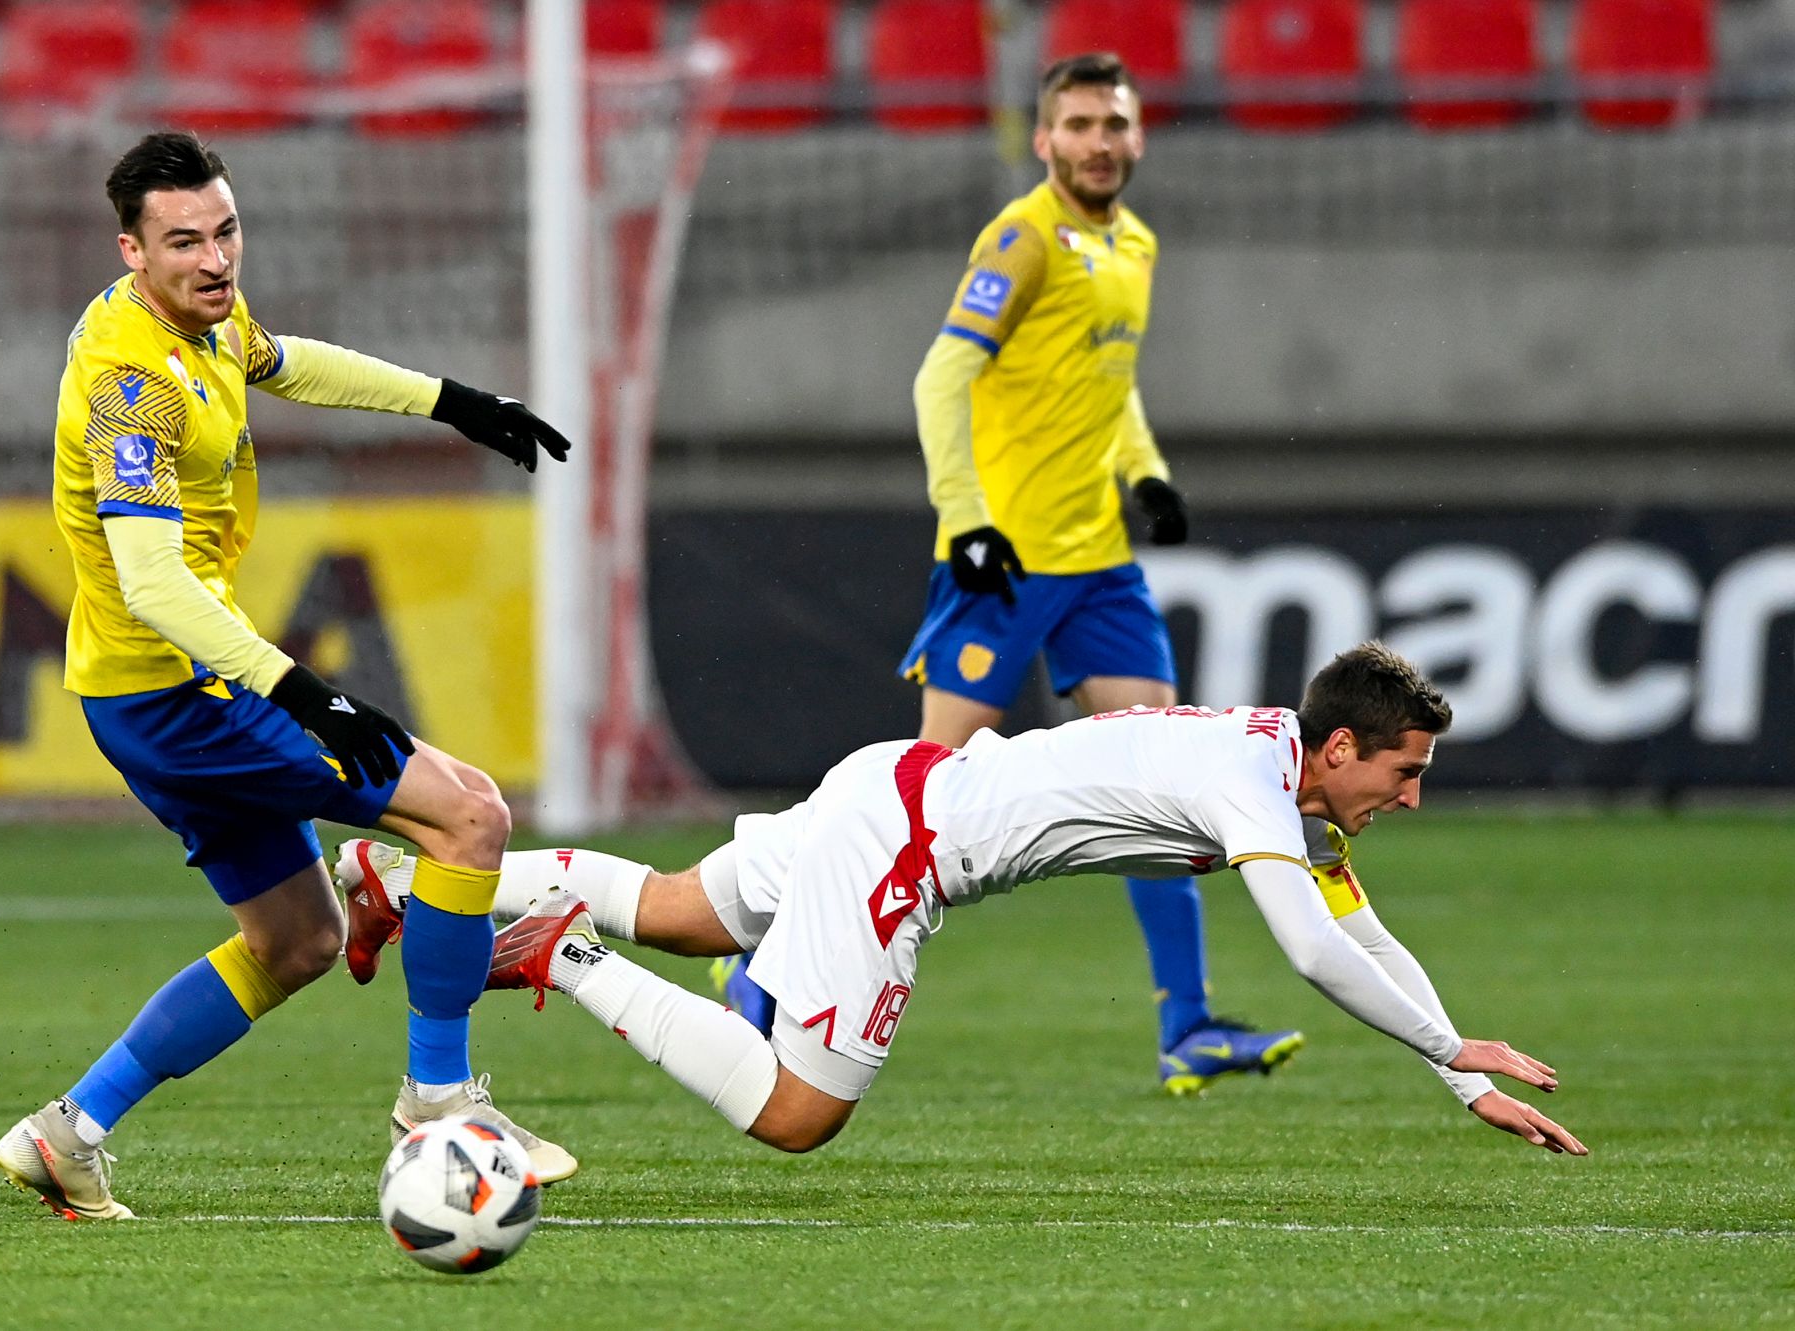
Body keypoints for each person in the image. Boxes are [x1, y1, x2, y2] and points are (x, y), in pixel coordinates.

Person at [338, 644, 1587, 1159]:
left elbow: (1355, 926)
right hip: (906, 844)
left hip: (897, 779)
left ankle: (397, 877)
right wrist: (1443, 1045)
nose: (1411, 796)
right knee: (796, 1113)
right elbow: (1310, 949)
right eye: (1404, 772)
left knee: (673, 909)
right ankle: (555, 953)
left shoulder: (1285, 782)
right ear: (1339, 747)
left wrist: (1452, 1068)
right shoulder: (1251, 783)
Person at [0, 131, 576, 1221]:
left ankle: (66, 1131)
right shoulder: (131, 383)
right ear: (131, 252)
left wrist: (452, 401)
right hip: (183, 695)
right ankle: (440, 1107)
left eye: (226, 231)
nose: (215, 259)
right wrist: (304, 691)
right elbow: (153, 582)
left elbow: (286, 359)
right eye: (183, 242)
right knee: (469, 817)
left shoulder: (199, 319)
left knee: (299, 940)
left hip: (145, 693)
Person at [721, 51, 1300, 1096]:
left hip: (1099, 565)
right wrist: (966, 519)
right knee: (916, 793)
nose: (1097, 142)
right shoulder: (1022, 237)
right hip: (1005, 559)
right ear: (1043, 140)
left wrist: (1145, 472)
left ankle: (1187, 1024)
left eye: (1113, 124)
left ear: (1137, 136)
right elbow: (940, 375)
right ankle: (757, 958)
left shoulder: (1133, 243)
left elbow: (1107, 384)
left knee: (1168, 784)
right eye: (1078, 124)